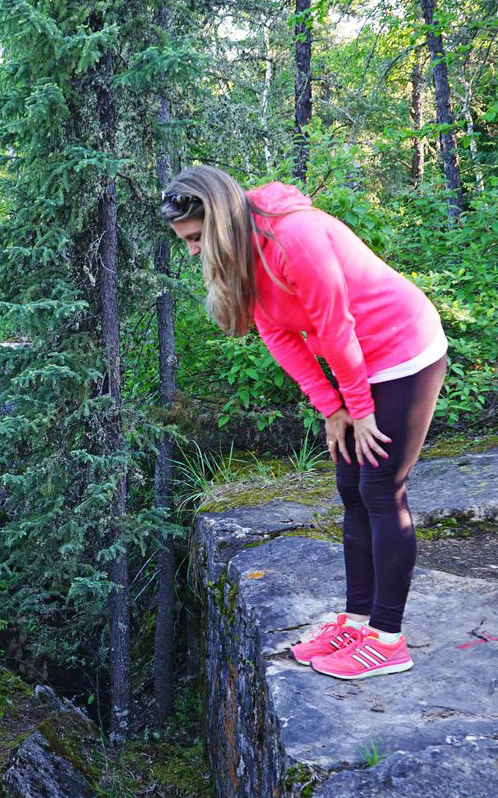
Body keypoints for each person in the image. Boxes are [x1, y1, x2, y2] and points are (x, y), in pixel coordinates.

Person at [161, 166, 447, 680]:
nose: (193, 252)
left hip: (403, 350)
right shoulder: (245, 252)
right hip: (358, 362)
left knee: (381, 487)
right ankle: (357, 622)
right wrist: (333, 410)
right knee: (350, 485)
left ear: (223, 220)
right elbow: (279, 334)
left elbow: (336, 329)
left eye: (198, 238)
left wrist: (358, 410)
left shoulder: (294, 237)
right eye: (186, 241)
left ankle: (388, 639)